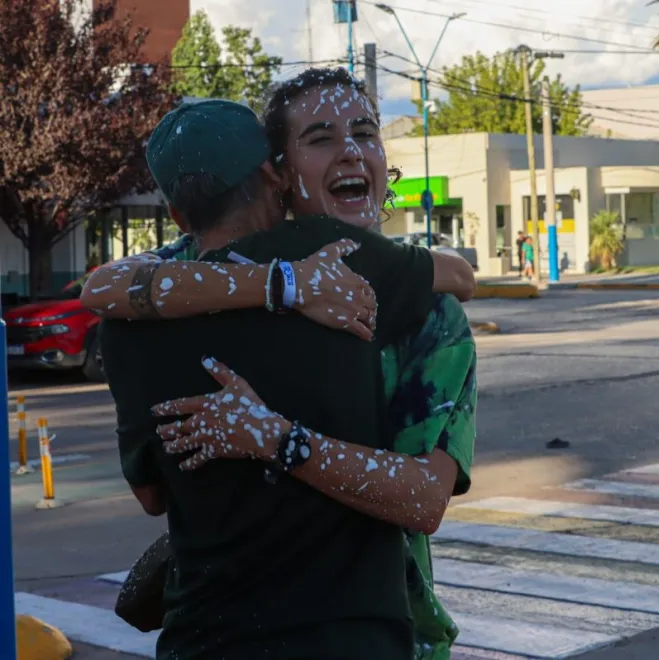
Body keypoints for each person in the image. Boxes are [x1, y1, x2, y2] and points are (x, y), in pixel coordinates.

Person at [94, 69, 476, 660]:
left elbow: (425, 499)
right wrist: (285, 282)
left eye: (365, 133)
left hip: (354, 625)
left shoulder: (429, 316)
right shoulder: (211, 272)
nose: (350, 150)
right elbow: (110, 285)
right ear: (277, 173)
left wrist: (271, 437)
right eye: (321, 138)